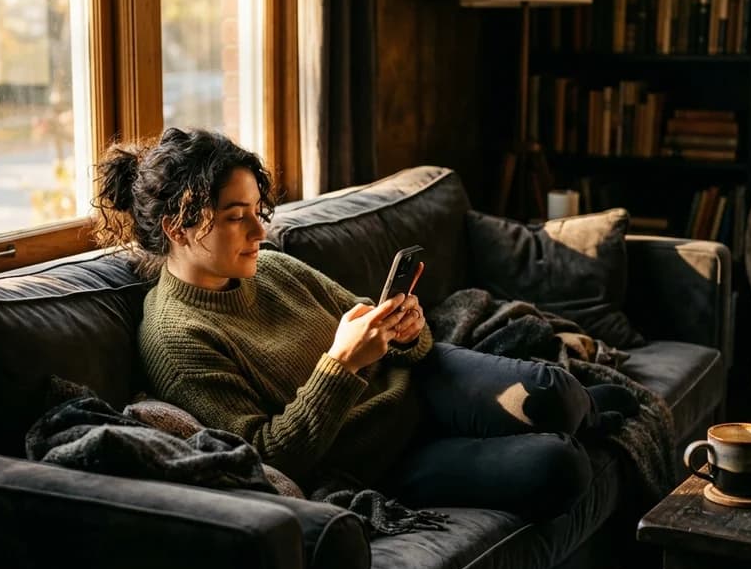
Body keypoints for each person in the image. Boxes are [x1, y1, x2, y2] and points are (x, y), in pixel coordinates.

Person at [93, 127, 639, 519]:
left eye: (258, 210)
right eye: (238, 218)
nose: (259, 231)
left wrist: (405, 327)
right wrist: (341, 364)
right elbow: (264, 457)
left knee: (558, 392)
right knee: (560, 468)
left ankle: (582, 409)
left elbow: (397, 337)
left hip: (422, 382)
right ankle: (577, 422)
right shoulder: (175, 338)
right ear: (179, 226)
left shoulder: (274, 267)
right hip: (384, 459)